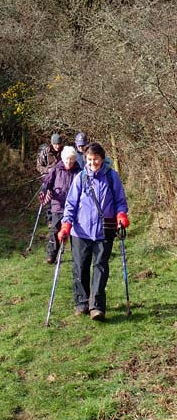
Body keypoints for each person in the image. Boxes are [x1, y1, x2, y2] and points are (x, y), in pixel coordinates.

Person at [57, 142, 130, 321]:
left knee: (100, 267)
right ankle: (81, 301)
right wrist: (66, 225)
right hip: (80, 231)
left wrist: (121, 215)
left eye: (95, 159)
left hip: (105, 230)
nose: (92, 163)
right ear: (85, 160)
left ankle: (96, 306)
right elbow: (71, 204)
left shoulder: (112, 177)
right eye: (89, 160)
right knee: (80, 267)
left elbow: (120, 201)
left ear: (102, 159)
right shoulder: (80, 178)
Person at [39, 146, 80, 264]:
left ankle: (77, 256)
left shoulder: (78, 171)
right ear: (63, 158)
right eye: (67, 159)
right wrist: (44, 190)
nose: (69, 162)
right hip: (58, 205)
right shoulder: (56, 169)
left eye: (72, 159)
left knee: (74, 233)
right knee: (55, 231)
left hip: (74, 207)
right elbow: (47, 181)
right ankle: (51, 255)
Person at [36, 133, 64, 226]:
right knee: (47, 198)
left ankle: (61, 217)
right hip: (48, 178)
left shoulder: (64, 151)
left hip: (60, 178)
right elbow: (38, 166)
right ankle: (50, 219)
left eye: (59, 144)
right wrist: (47, 170)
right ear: (52, 143)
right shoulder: (45, 152)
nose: (57, 146)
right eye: (55, 144)